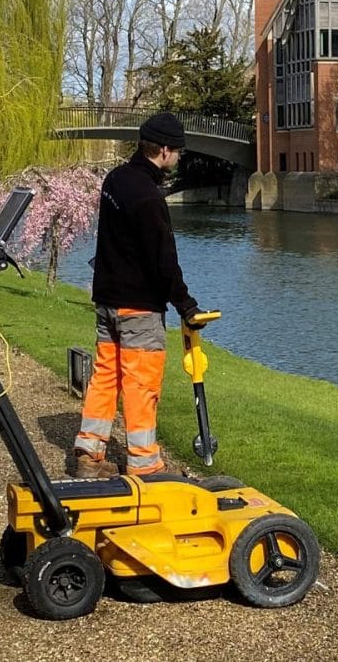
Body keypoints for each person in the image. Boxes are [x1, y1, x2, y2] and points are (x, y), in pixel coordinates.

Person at [72, 111, 204, 479]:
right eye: (177, 152)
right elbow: (163, 261)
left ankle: (89, 449)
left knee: (105, 376)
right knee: (140, 384)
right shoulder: (148, 197)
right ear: (163, 150)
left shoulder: (115, 180)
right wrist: (186, 305)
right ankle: (145, 465)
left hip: (108, 301)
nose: (178, 159)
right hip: (139, 308)